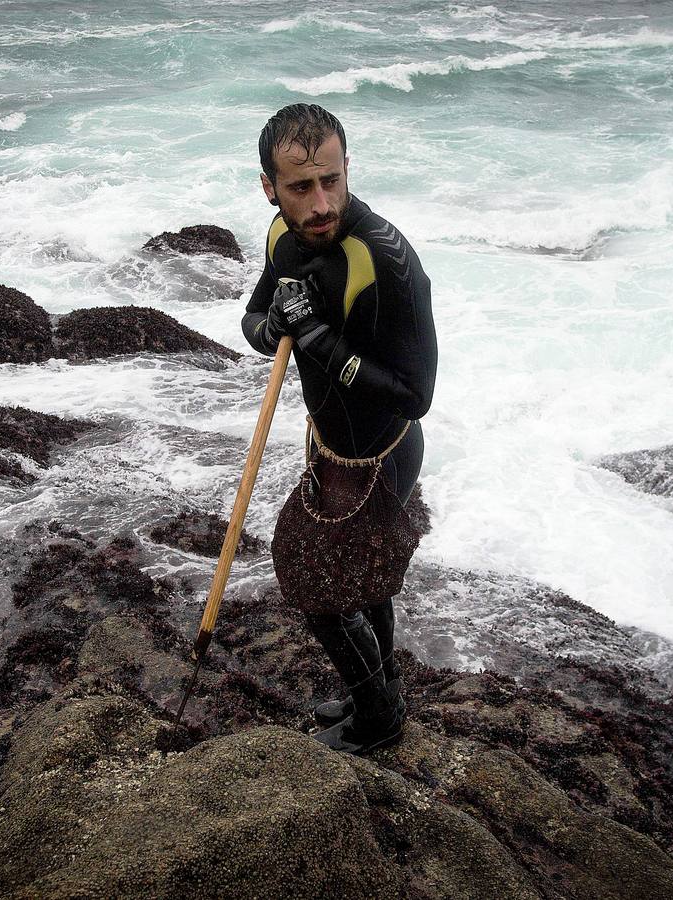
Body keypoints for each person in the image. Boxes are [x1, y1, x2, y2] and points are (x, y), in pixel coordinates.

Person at [241, 103, 437, 754]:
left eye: (332, 179)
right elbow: (254, 320)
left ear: (347, 166)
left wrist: (320, 341)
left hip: (382, 453)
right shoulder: (282, 237)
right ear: (270, 187)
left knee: (320, 590)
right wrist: (274, 328)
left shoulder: (386, 261)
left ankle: (380, 718)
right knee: (362, 580)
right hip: (328, 443)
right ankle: (375, 694)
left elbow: (416, 397)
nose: (321, 202)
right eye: (300, 187)